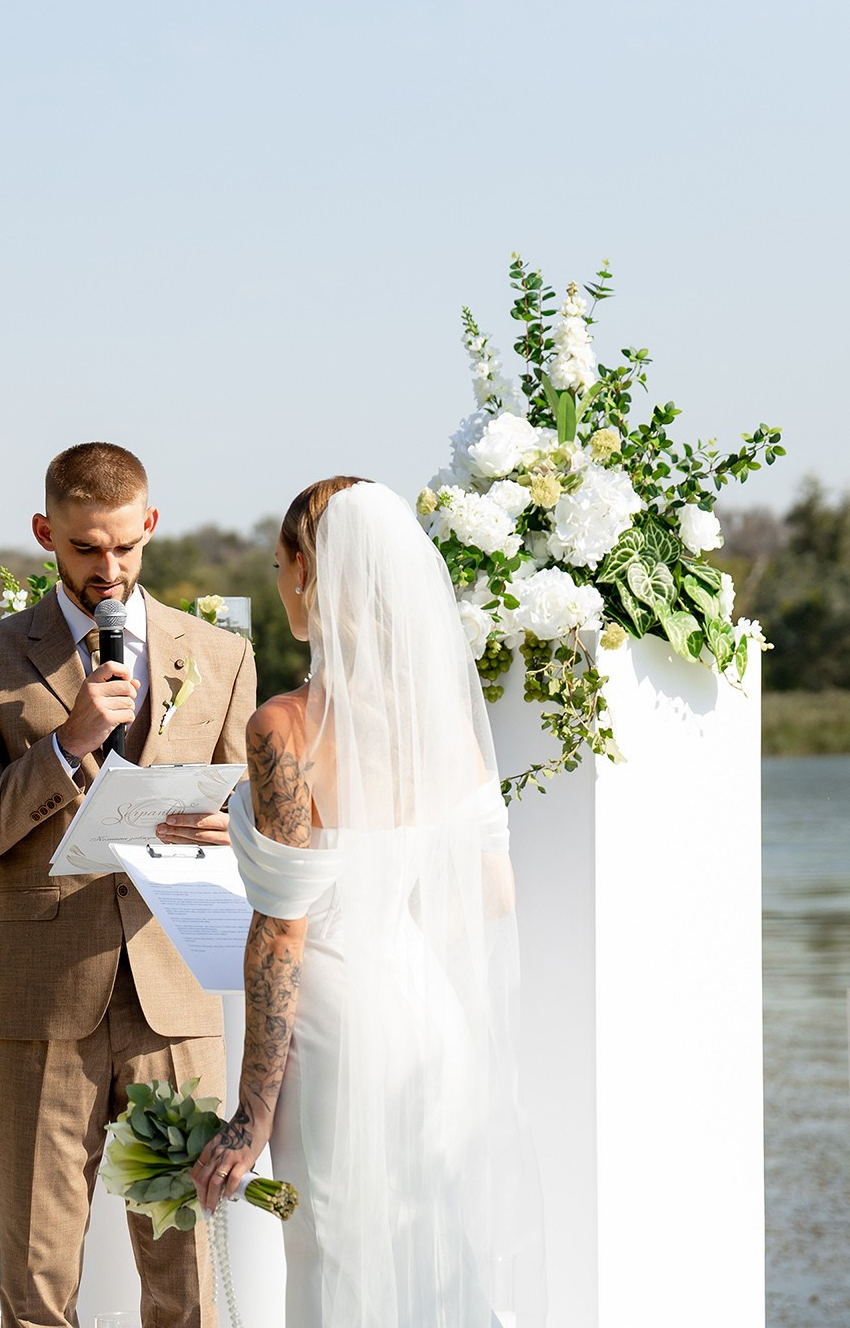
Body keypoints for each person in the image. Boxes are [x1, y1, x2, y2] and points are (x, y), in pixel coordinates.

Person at [191, 478, 544, 1326]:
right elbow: (491, 893)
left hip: (333, 1027)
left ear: (306, 570)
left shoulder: (284, 728)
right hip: (426, 1015)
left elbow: (282, 934)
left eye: (280, 566)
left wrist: (250, 1115)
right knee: (428, 1256)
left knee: (337, 1263)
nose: (281, 585)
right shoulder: (441, 724)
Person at [0, 442, 257, 1328]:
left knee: (185, 1283)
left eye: (123, 545)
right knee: (37, 1285)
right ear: (46, 533)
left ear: (150, 524)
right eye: (84, 548)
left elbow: (254, 821)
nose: (107, 569)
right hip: (43, 1006)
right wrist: (67, 744)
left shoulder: (222, 656)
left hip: (174, 999)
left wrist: (234, 830)